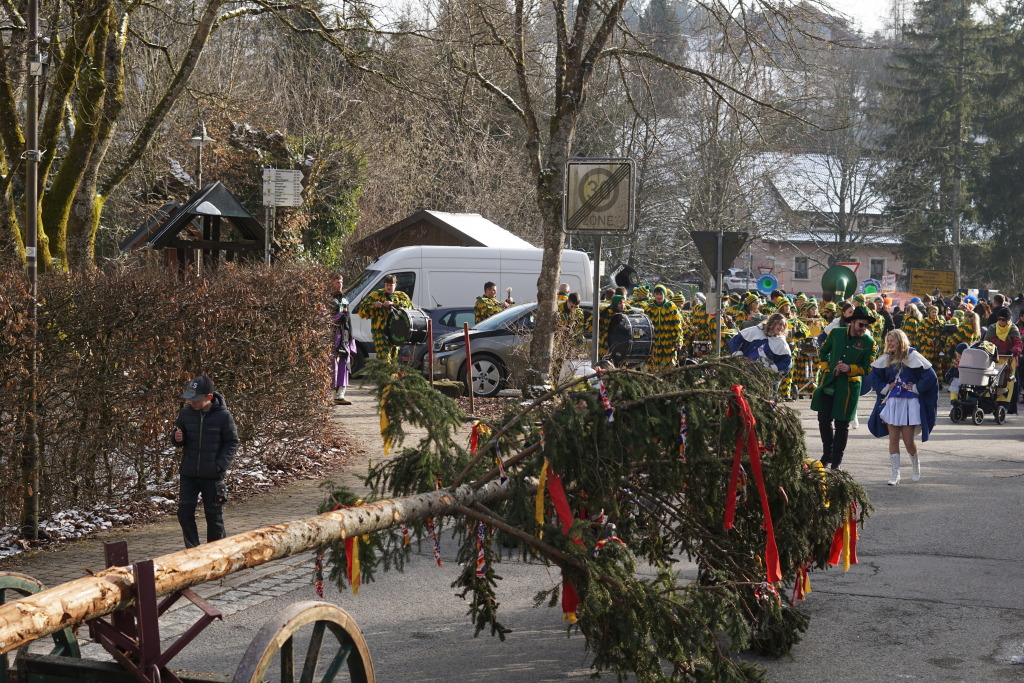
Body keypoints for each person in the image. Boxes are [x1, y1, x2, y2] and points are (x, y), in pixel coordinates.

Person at [173, 375, 238, 548]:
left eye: (196, 400)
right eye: (189, 399)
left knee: (213, 516)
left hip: (212, 474)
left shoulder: (223, 416)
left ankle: (216, 552)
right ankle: (192, 551)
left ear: (209, 397)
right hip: (189, 473)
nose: (192, 403)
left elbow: (232, 442)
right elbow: (177, 437)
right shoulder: (185, 413)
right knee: (184, 512)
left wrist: (220, 465)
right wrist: (177, 438)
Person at [866, 330, 938, 485]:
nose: (890, 344)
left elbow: (931, 377)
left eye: (893, 341)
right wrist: (885, 387)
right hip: (892, 402)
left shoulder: (913, 356)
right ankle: (895, 474)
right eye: (888, 341)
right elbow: (874, 378)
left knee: (908, 440)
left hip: (909, 403)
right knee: (893, 439)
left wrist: (916, 387)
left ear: (900, 341)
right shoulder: (886, 358)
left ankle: (915, 467)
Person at [811, 305, 877, 470]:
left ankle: (836, 462)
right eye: (861, 325)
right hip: (829, 383)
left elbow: (868, 367)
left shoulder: (869, 342)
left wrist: (850, 368)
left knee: (842, 424)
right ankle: (827, 453)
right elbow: (823, 351)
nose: (864, 328)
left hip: (848, 388)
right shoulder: (836, 333)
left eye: (866, 326)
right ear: (852, 322)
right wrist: (826, 367)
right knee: (824, 420)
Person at [355, 274, 414, 363]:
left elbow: (409, 306)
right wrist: (374, 305)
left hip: (396, 332)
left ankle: (390, 376)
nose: (389, 287)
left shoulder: (401, 295)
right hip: (380, 331)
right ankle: (385, 374)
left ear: (395, 285)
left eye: (391, 285)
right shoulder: (376, 295)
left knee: (394, 357)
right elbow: (362, 307)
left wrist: (393, 303)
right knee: (384, 357)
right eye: (387, 285)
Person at [728, 312, 792, 394]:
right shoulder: (755, 331)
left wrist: (772, 369)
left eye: (783, 325)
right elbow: (734, 341)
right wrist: (740, 357)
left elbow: (787, 363)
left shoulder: (781, 341)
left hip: (768, 380)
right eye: (780, 324)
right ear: (772, 323)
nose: (781, 328)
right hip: (747, 373)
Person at [982, 307, 1022, 413]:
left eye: (1003, 319)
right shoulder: (992, 328)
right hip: (993, 360)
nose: (1000, 321)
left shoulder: (1013, 328)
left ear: (1008, 320)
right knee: (990, 383)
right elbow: (986, 342)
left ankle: (1007, 408)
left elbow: (1018, 344)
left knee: (1010, 385)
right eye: (999, 319)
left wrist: (1012, 351)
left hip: (1009, 361)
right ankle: (989, 405)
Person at [329, 273, 356, 405]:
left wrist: (351, 335)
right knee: (331, 361)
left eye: (341, 282)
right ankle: (329, 392)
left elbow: (348, 317)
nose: (340, 285)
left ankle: (340, 394)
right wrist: (337, 317)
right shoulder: (327, 299)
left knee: (345, 361)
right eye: (337, 282)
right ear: (331, 284)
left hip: (344, 333)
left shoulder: (344, 298)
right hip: (332, 334)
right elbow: (324, 317)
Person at [646, 285, 683, 371]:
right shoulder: (649, 308)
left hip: (668, 345)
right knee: (653, 368)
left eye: (661, 294)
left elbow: (677, 326)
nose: (659, 296)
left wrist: (678, 341)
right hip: (654, 345)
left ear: (665, 295)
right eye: (657, 294)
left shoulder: (671, 307)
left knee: (669, 369)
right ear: (654, 295)